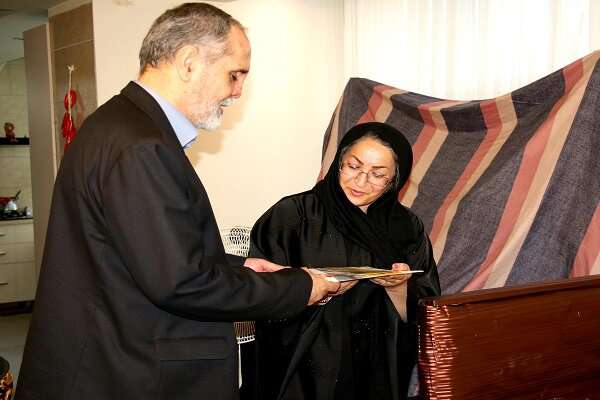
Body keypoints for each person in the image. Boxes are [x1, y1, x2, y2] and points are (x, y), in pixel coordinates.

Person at [15, 4, 339, 400]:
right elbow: (182, 283)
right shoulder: (142, 147)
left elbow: (148, 255)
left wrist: (241, 267)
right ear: (189, 62)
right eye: (234, 74)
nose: (237, 91)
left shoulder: (116, 124)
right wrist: (299, 287)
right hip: (127, 374)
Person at [248, 122, 441, 400]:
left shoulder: (407, 228)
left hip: (376, 370)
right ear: (339, 161)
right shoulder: (292, 216)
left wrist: (398, 288)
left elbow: (428, 311)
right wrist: (312, 289)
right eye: (353, 166)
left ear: (395, 181)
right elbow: (258, 292)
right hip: (304, 369)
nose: (360, 182)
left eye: (377, 174)